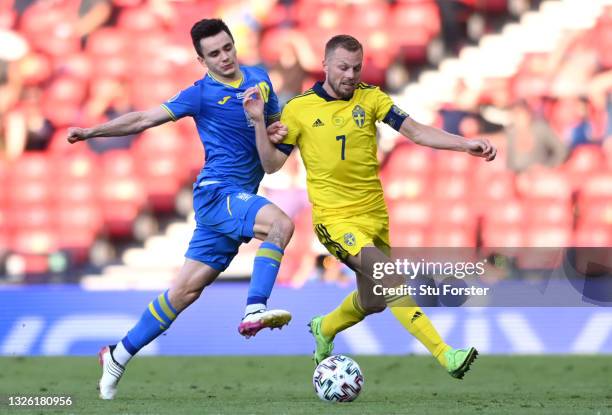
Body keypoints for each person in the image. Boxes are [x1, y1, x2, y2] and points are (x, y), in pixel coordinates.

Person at [243, 34, 496, 379]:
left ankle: (325, 327)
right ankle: (445, 353)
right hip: (335, 220)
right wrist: (259, 123)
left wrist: (466, 144)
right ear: (325, 65)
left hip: (374, 217)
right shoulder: (299, 109)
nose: (350, 74)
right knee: (390, 277)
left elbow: (417, 132)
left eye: (356, 67)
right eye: (343, 67)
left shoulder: (372, 98)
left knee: (375, 300)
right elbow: (271, 165)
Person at [67, 19, 294, 399]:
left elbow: (271, 163)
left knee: (185, 291)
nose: (224, 58)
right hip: (216, 192)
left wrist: (267, 129)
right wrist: (91, 131)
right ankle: (255, 307)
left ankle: (117, 356)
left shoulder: (260, 80)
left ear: (235, 45)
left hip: (237, 197)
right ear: (200, 60)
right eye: (214, 54)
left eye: (227, 48)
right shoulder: (200, 95)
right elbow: (143, 119)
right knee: (281, 224)